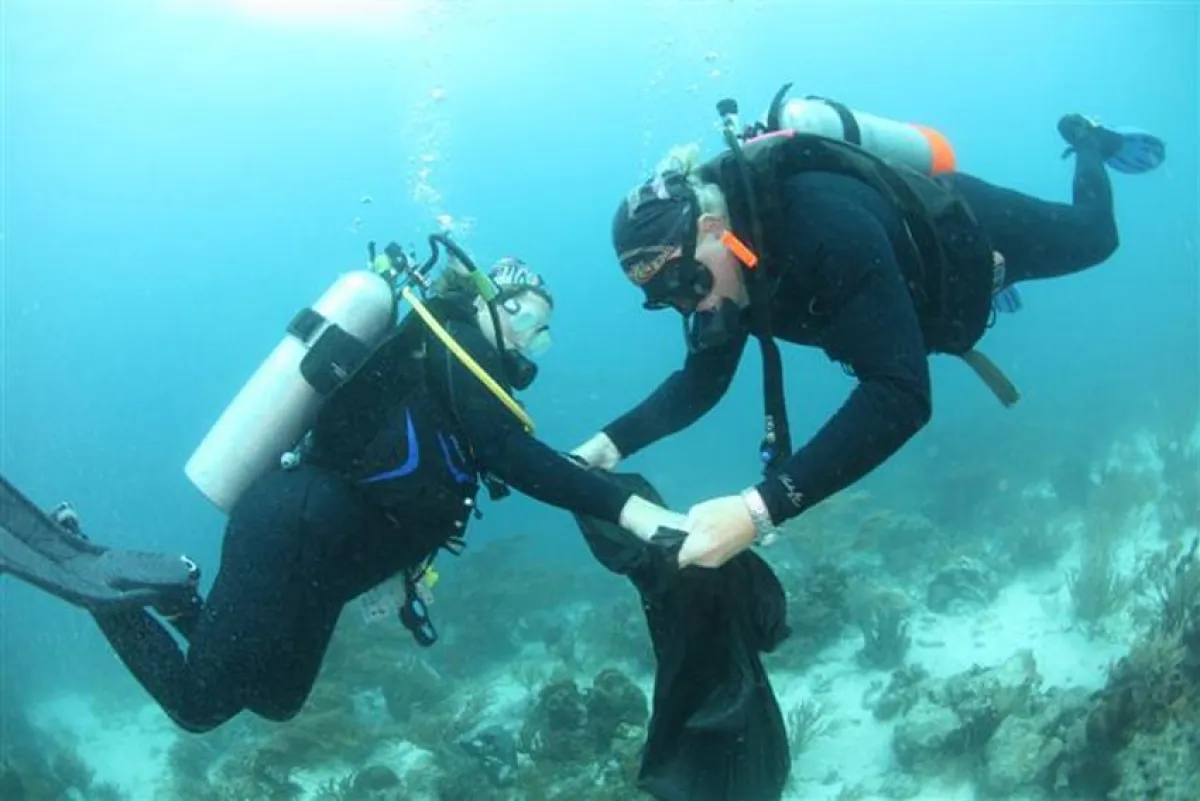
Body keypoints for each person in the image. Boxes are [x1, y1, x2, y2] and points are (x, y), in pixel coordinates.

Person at [1, 240, 683, 734]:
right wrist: (632, 510)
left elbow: (422, 488)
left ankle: (181, 600)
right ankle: (102, 578)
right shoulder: (448, 353)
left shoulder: (454, 374)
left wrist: (401, 580)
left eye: (544, 334)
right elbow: (522, 460)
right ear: (487, 302)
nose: (535, 343)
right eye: (530, 322)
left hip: (319, 565)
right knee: (199, 703)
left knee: (276, 700)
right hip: (288, 534)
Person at [572, 98, 1166, 572]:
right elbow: (700, 382)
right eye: (666, 298)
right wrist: (601, 450)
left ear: (712, 227)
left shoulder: (822, 227)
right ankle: (980, 288)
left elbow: (901, 394)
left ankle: (1091, 141)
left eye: (687, 282)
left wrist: (758, 511)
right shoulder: (726, 271)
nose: (691, 305)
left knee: (1096, 238)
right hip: (911, 295)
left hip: (970, 232)